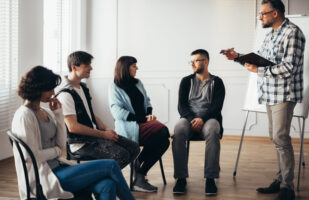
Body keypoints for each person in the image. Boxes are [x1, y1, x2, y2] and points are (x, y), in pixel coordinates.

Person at [11, 66, 135, 200]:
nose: (53, 93)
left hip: (58, 168)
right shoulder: (24, 115)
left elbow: (61, 143)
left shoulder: (45, 111)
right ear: (38, 88)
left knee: (108, 184)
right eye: (49, 89)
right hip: (45, 178)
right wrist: (56, 151)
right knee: (111, 165)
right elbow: (31, 156)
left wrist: (58, 114)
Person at [222, 0, 305, 199]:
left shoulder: (292, 33)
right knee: (276, 138)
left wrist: (259, 70)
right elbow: (261, 60)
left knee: (281, 139)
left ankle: (287, 188)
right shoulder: (271, 34)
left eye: (263, 14)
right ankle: (280, 180)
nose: (260, 17)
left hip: (284, 94)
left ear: (275, 13)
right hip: (269, 93)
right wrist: (238, 57)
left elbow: (288, 68)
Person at [56, 51, 139, 169]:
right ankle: (98, 181)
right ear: (74, 67)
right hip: (81, 144)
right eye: (87, 65)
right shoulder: (65, 94)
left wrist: (106, 129)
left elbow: (90, 114)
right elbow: (73, 127)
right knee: (122, 155)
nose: (91, 68)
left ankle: (116, 178)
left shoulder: (83, 87)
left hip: (94, 137)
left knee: (134, 147)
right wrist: (103, 134)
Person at [108, 56, 170, 193]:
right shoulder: (114, 86)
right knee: (163, 131)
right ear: (125, 68)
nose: (137, 68)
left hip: (143, 124)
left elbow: (147, 101)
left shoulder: (138, 83)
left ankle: (139, 169)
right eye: (134, 66)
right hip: (129, 126)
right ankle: (138, 170)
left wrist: (149, 114)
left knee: (165, 141)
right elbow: (117, 112)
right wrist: (142, 118)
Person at [172, 49, 226, 196]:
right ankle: (181, 178)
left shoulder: (217, 82)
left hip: (209, 119)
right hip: (188, 119)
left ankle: (210, 178)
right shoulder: (186, 81)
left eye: (196, 60)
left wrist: (202, 119)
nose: (193, 64)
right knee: (178, 131)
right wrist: (192, 119)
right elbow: (181, 106)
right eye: (191, 61)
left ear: (206, 61)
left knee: (213, 130)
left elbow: (217, 107)